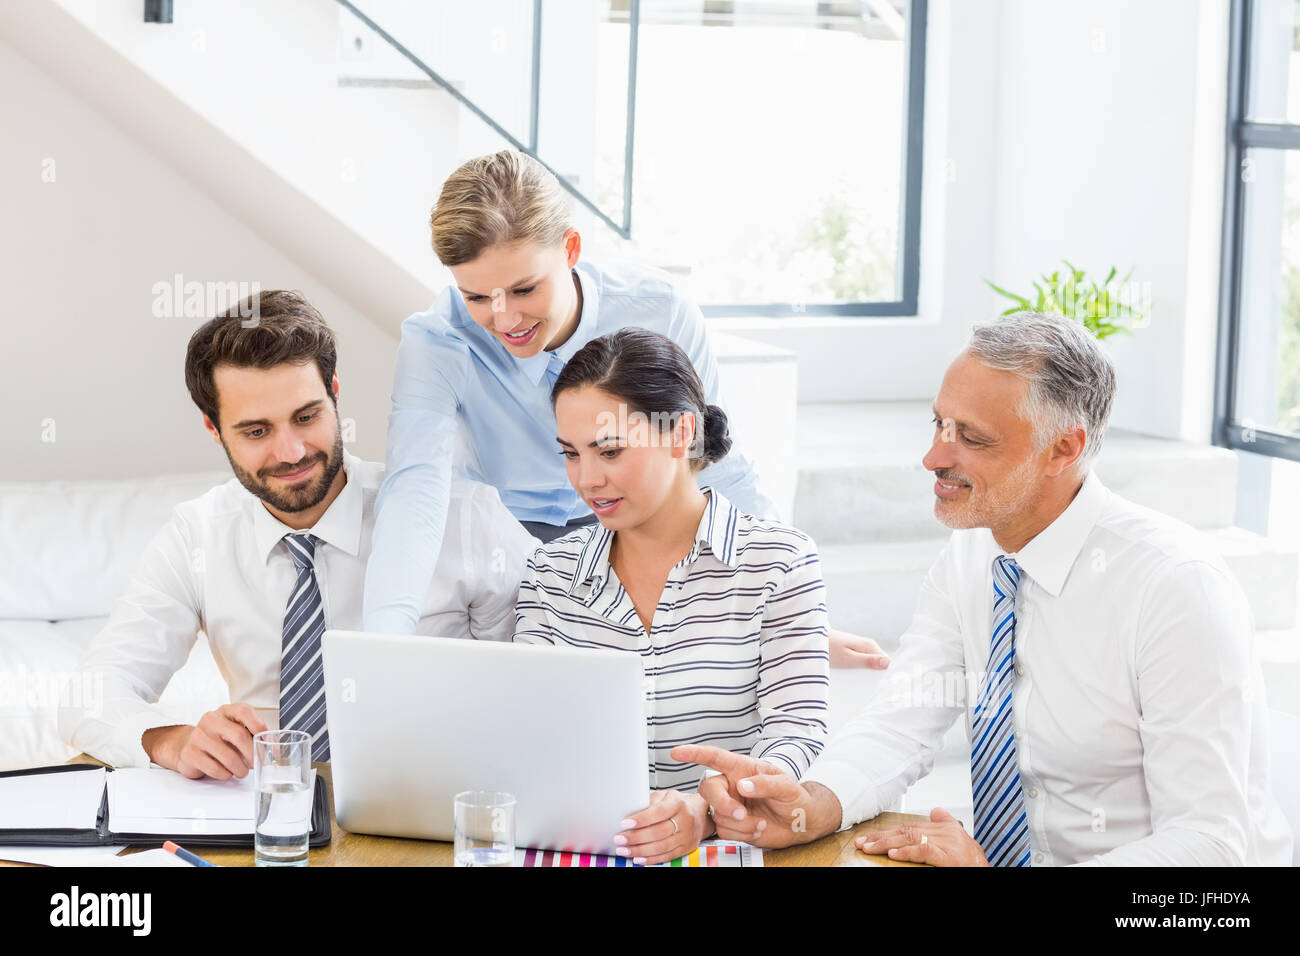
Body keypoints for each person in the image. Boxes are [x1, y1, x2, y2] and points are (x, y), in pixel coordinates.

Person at [674, 311, 1293, 866]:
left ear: (1063, 449)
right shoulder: (975, 552)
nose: (932, 457)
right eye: (939, 423)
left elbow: (1211, 842)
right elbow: (903, 718)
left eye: (971, 438)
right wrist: (814, 803)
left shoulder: (1174, 588)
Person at [362, 149, 888, 670]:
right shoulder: (437, 341)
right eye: (476, 297)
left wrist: (797, 618)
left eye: (524, 288)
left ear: (570, 249)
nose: (504, 319)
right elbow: (415, 489)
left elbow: (708, 460)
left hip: (635, 525)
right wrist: (384, 644)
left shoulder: (659, 310)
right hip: (505, 531)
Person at [58, 291, 534, 778]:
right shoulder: (197, 536)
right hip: (268, 818)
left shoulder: (464, 517)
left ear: (334, 393)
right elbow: (91, 694)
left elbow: (544, 683)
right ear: (214, 428)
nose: (290, 452)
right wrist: (169, 741)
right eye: (256, 432)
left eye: (306, 418)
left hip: (438, 795)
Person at [513, 327, 830, 865]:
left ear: (681, 433)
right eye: (571, 453)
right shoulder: (550, 572)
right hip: (586, 848)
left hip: (736, 846)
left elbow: (797, 734)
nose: (586, 480)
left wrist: (707, 808)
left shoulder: (779, 562)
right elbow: (524, 735)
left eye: (609, 450)